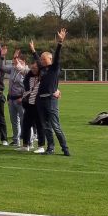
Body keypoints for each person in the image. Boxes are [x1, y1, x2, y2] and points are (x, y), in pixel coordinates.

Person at [35, 28, 71, 156]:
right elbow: (37, 61)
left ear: (50, 59)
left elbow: (57, 57)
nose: (42, 61)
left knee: (55, 126)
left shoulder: (54, 68)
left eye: (44, 59)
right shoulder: (42, 69)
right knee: (46, 127)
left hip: (51, 100)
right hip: (41, 100)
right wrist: (33, 50)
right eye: (41, 59)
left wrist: (60, 43)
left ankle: (65, 148)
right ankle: (50, 148)